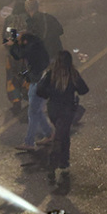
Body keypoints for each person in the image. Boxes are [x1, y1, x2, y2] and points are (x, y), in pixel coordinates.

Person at [37, 50, 89, 184]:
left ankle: (63, 164)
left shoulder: (50, 74)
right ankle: (55, 165)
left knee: (63, 136)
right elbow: (84, 90)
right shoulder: (72, 74)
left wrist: (51, 93)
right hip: (66, 110)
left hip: (53, 109)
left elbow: (40, 90)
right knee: (61, 138)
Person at [6, 30, 52, 151]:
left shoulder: (32, 48)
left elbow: (18, 54)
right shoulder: (35, 45)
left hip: (39, 81)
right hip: (37, 79)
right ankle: (49, 134)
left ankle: (29, 142)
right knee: (37, 110)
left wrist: (13, 45)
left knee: (33, 112)